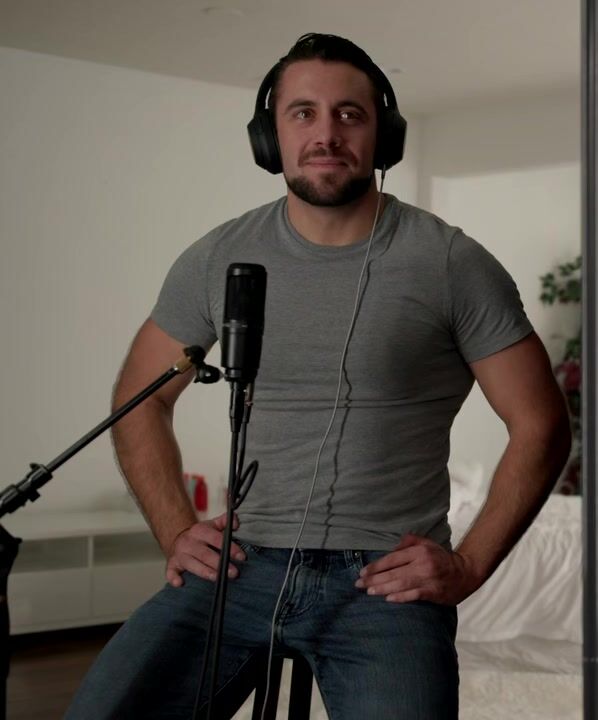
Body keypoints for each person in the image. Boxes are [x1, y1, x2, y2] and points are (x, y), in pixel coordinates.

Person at [66, 33, 571, 719]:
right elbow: (139, 400)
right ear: (269, 137)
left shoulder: (452, 263)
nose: (326, 134)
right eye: (302, 113)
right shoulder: (217, 258)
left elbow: (541, 423)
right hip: (238, 567)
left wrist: (470, 564)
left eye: (349, 114)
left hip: (382, 583)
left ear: (383, 134)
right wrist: (174, 528)